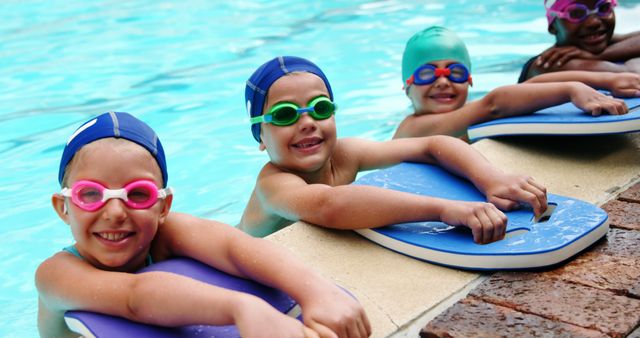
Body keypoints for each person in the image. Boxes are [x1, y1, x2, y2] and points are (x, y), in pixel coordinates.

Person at [36, 112, 370, 338]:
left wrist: (317, 291)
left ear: (163, 206)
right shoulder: (55, 274)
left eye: (138, 194)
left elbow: (236, 247)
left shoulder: (163, 233)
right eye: (90, 195)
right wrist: (242, 308)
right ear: (63, 207)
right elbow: (134, 297)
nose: (114, 212)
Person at [239, 56, 548, 244]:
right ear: (261, 137)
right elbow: (329, 205)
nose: (307, 122)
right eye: (284, 114)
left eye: (320, 108)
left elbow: (432, 144)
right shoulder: (273, 183)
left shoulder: (347, 153)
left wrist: (491, 179)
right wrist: (444, 209)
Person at [394, 26, 630, 140]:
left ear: (470, 80)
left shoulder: (465, 112)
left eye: (456, 72)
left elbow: (532, 85)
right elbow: (495, 104)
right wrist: (570, 89)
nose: (443, 81)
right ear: (407, 87)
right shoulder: (412, 129)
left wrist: (607, 79)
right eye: (427, 74)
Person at [519, 0, 640, 82]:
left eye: (603, 8)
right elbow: (633, 75)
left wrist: (599, 56)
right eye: (576, 14)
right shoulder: (550, 64)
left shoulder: (589, 42)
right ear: (553, 27)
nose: (594, 22)